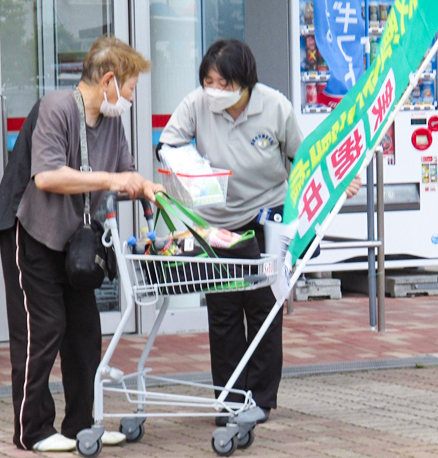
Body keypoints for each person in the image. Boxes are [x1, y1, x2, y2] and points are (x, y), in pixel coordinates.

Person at [159, 39, 361, 426]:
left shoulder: (275, 107)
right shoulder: (196, 104)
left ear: (244, 82)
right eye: (208, 81)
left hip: (265, 215)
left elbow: (303, 158)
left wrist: (337, 181)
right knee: (222, 312)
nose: (213, 91)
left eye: (222, 83)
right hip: (215, 222)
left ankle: (262, 398)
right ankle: (230, 397)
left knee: (263, 308)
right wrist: (187, 168)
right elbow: (168, 143)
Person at [0, 36, 163, 453]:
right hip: (30, 231)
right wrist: (112, 180)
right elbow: (47, 177)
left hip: (74, 241)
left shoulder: (111, 120)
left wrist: (150, 188)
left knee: (85, 333)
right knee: (42, 330)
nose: (132, 98)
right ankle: (33, 430)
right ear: (108, 81)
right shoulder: (57, 107)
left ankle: (83, 425)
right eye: (131, 89)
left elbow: (125, 172)